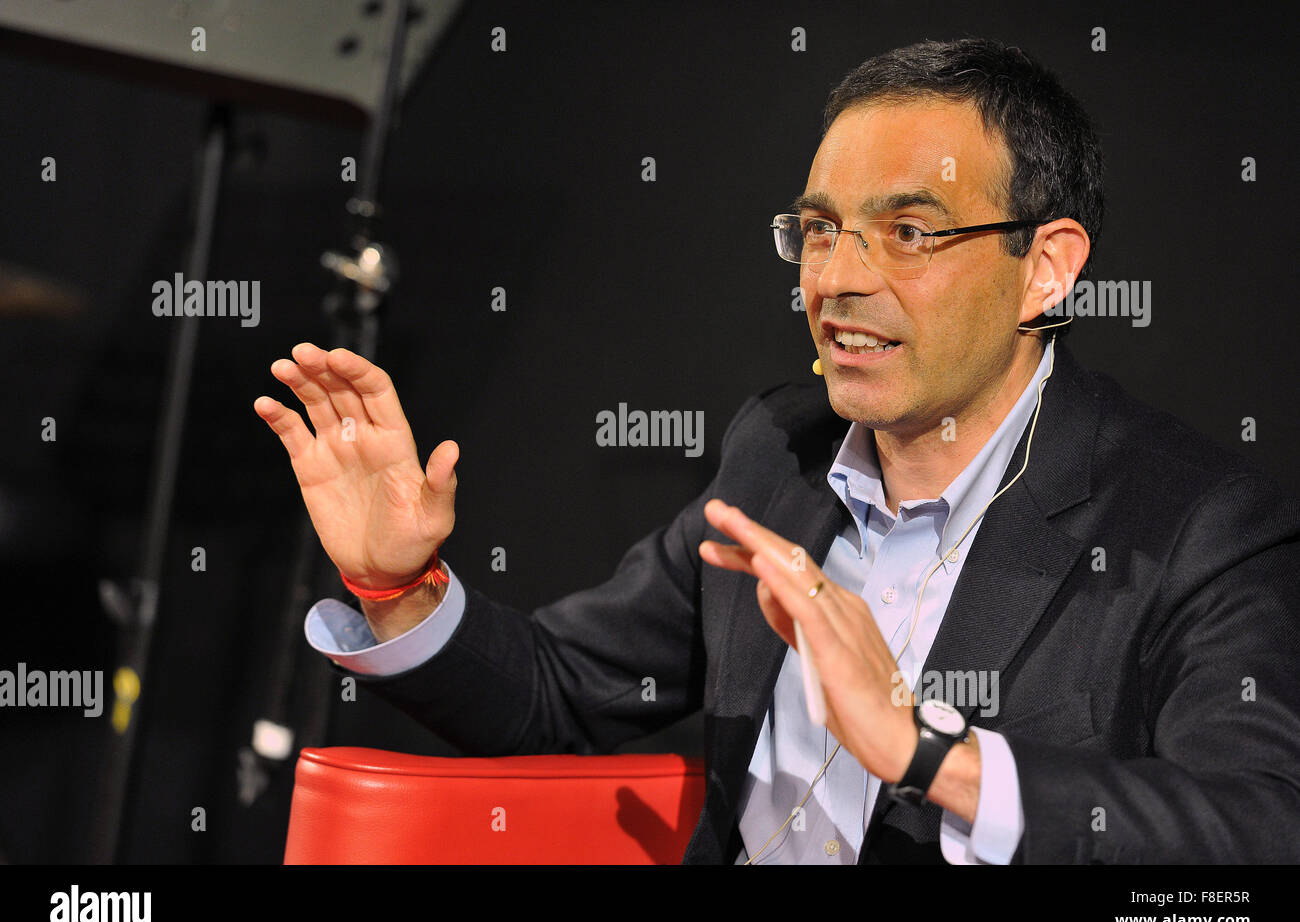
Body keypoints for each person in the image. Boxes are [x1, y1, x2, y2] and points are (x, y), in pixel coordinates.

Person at [253, 38, 1300, 864]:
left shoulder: (1192, 524)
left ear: (1046, 269)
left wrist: (931, 753)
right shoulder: (779, 454)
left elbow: (1259, 829)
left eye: (910, 233)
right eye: (816, 228)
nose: (837, 278)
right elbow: (559, 692)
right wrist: (395, 584)